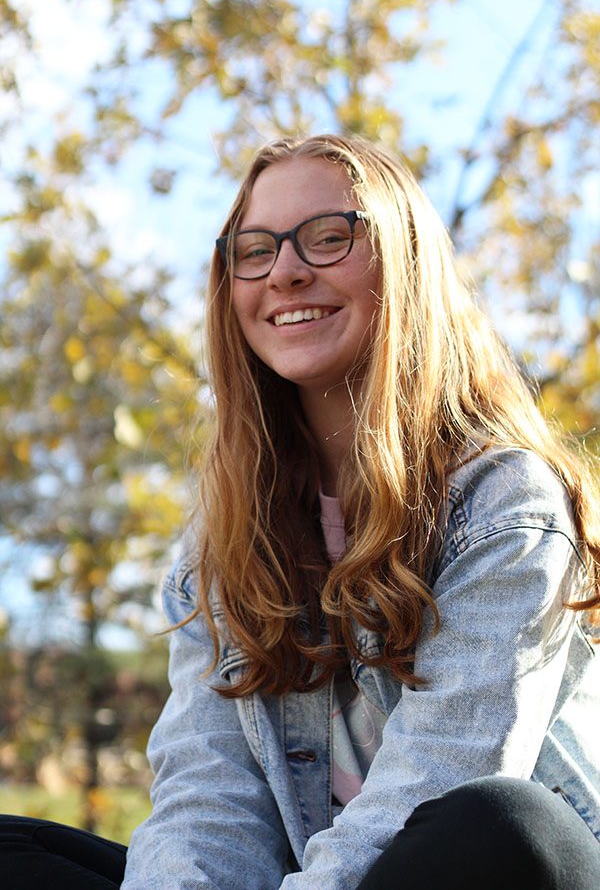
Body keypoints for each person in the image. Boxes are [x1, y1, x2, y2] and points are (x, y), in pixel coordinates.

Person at [1, 134, 600, 889]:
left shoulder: (503, 505)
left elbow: (439, 780)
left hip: (468, 869)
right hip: (304, 876)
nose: (285, 271)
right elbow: (205, 799)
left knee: (503, 824)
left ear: (405, 266)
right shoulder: (222, 543)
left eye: (329, 238)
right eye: (254, 250)